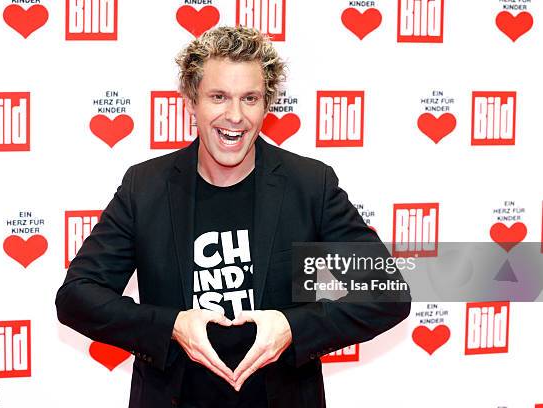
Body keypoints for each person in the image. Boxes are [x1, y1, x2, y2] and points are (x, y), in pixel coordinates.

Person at [55, 26, 411, 408]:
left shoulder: (309, 185)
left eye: (250, 98)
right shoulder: (146, 187)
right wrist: (171, 326)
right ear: (192, 100)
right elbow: (76, 296)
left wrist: (292, 328)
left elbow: (386, 294)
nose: (235, 116)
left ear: (266, 105)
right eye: (219, 97)